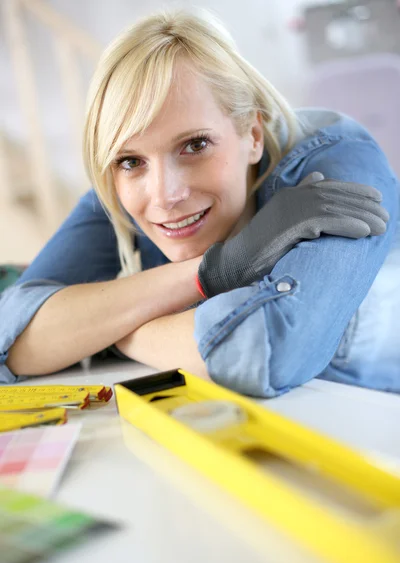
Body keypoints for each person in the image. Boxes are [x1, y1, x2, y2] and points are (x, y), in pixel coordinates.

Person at [1, 9, 399, 397]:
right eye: (130, 160)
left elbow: (269, 352)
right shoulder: (123, 195)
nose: (164, 195)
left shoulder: (338, 163)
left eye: (195, 145)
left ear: (253, 135)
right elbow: (12, 332)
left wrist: (111, 329)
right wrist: (215, 270)